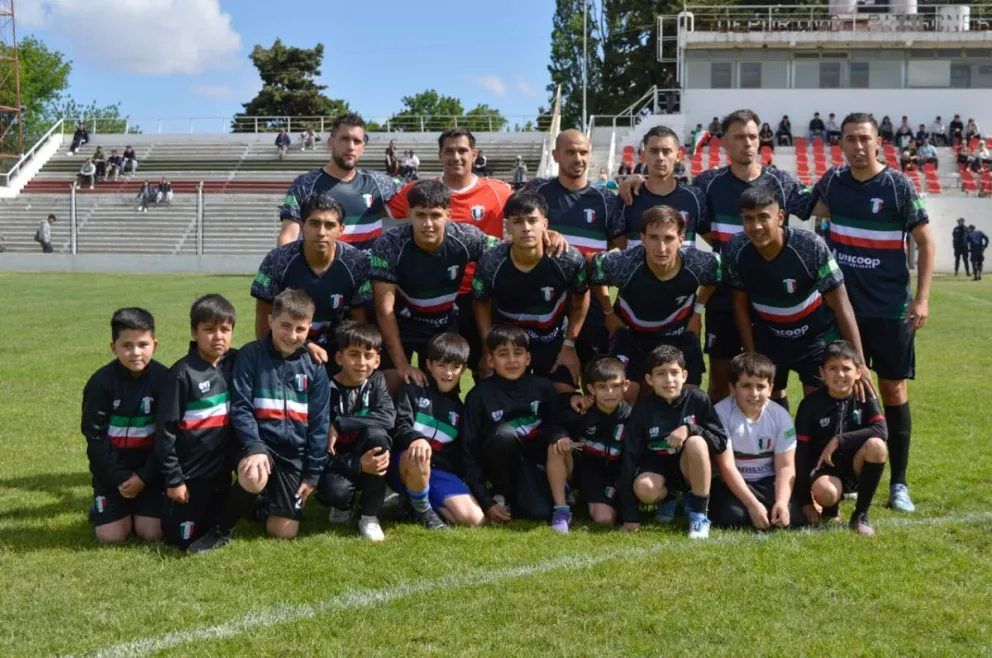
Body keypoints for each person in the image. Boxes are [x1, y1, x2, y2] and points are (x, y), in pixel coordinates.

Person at [620, 109, 814, 404]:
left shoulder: (780, 182)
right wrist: (636, 177)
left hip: (770, 302)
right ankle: (717, 443)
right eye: (739, 137)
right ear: (724, 142)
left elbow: (819, 206)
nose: (747, 143)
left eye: (752, 136)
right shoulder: (706, 186)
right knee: (720, 381)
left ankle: (771, 447)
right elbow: (670, 195)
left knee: (772, 383)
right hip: (723, 300)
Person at [812, 112, 935, 513]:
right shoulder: (832, 182)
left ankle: (898, 483)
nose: (858, 146)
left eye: (865, 138)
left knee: (892, 390)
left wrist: (922, 298)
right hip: (843, 310)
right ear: (841, 143)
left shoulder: (898, 186)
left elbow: (926, 241)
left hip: (890, 310)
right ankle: (843, 473)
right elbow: (806, 209)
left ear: (878, 141)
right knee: (840, 387)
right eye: (850, 139)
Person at [385, 127, 534, 382]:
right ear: (440, 155)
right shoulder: (418, 192)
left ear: (474, 155)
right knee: (435, 373)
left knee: (488, 368)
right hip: (433, 297)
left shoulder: (499, 192)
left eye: (463, 150)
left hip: (481, 297)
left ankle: (485, 418)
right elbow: (376, 213)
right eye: (450, 151)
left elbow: (530, 218)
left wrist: (550, 234)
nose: (456, 156)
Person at [187, 289, 330, 553]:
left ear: (310, 328)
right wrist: (254, 445)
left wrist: (312, 473)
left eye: (300, 329)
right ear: (270, 321)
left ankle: (257, 506)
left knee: (284, 531)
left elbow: (320, 422)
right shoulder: (251, 355)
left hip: (293, 453)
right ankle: (221, 531)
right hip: (259, 445)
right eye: (285, 326)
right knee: (254, 474)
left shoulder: (314, 365)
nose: (292, 335)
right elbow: (240, 407)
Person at [725, 185, 869, 410]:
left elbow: (842, 305)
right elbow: (739, 305)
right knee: (767, 405)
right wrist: (752, 354)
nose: (757, 226)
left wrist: (859, 362)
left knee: (820, 404)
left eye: (764, 217)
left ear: (780, 216)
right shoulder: (735, 248)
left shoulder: (810, 246)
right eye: (748, 219)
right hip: (770, 338)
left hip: (814, 338)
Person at [371, 179, 497, 392]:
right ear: (409, 213)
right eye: (420, 215)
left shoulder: (466, 237)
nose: (427, 224)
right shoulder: (388, 245)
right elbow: (385, 310)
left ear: (448, 214)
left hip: (443, 325)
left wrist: (545, 236)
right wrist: (402, 365)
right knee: (387, 385)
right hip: (402, 324)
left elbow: (509, 251)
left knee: (442, 391)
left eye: (435, 215)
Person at [591, 206, 718, 402]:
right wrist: (608, 312)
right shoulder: (625, 263)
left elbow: (715, 276)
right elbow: (593, 267)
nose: (661, 248)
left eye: (669, 238)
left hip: (677, 335)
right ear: (643, 238)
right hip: (631, 335)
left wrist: (697, 313)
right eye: (653, 237)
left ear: (681, 239)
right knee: (625, 393)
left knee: (688, 398)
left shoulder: (699, 263)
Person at [524, 129, 625, 371]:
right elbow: (517, 228)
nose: (577, 158)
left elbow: (618, 247)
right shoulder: (536, 191)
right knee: (546, 375)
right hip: (543, 298)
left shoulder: (605, 199)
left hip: (592, 301)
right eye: (570, 152)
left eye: (583, 152)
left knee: (596, 374)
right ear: (556, 155)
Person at [473, 191, 589, 392]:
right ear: (507, 225)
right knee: (499, 401)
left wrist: (569, 345)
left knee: (564, 399)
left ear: (545, 224)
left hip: (552, 341)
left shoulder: (568, 259)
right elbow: (480, 301)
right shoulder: (491, 262)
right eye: (517, 222)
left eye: (532, 220)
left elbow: (581, 298)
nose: (526, 228)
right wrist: (488, 349)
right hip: (510, 344)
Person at [461, 325, 573, 530]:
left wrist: (559, 434)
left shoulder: (542, 387)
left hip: (530, 465)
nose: (512, 360)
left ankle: (543, 495)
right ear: (491, 360)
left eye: (518, 353)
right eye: (503, 354)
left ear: (528, 358)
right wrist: (486, 501)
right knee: (504, 434)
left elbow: (557, 424)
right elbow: (469, 453)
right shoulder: (479, 396)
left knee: (539, 513)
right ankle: (499, 494)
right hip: (497, 469)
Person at [617, 345, 727, 538]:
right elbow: (630, 457)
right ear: (649, 379)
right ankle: (670, 497)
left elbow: (720, 442)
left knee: (696, 443)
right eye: (660, 374)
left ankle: (699, 514)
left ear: (684, 375)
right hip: (659, 470)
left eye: (674, 372)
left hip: (689, 469)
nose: (669, 380)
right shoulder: (643, 410)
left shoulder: (698, 400)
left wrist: (690, 429)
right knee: (645, 489)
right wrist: (631, 516)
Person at [156, 295, 239, 550]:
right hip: (190, 477)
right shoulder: (182, 374)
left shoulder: (236, 362)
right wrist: (174, 480)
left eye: (225, 330)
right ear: (194, 332)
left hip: (222, 475)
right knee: (180, 541)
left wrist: (308, 347)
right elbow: (165, 431)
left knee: (219, 524)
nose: (218, 337)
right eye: (209, 330)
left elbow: (273, 348)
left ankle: (257, 505)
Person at [81, 307, 169, 544]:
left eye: (143, 344)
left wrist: (144, 476)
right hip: (112, 473)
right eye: (126, 345)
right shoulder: (100, 383)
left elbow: (166, 437)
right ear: (113, 347)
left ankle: (139, 505)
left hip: (149, 473)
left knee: (152, 532)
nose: (135, 352)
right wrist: (119, 476)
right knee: (111, 536)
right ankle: (104, 509)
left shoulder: (165, 380)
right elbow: (94, 436)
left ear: (155, 345)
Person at [252, 193, 371, 369]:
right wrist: (270, 359)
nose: (321, 232)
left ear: (341, 229)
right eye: (314, 224)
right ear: (302, 226)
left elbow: (359, 322)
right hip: (287, 349)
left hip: (338, 354)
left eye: (329, 225)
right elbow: (264, 318)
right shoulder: (277, 260)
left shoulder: (357, 264)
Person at [390, 332, 485, 529]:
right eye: (441, 365)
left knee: (474, 519)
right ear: (429, 365)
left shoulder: (460, 407)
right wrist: (416, 438)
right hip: (405, 464)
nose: (448, 373)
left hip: (437, 471)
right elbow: (399, 426)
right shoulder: (413, 389)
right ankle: (423, 512)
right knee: (421, 453)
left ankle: (412, 501)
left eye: (455, 367)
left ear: (464, 370)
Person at [794, 341, 888, 536]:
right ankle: (830, 506)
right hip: (825, 470)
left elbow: (881, 430)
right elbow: (800, 454)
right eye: (833, 369)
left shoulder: (865, 397)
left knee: (877, 446)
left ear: (858, 372)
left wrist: (839, 439)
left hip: (854, 467)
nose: (840, 375)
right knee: (827, 493)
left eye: (847, 368)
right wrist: (805, 502)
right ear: (822, 372)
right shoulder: (810, 405)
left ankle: (860, 515)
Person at [315, 322, 395, 542]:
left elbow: (388, 418)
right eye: (354, 354)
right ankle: (343, 505)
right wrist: (358, 464)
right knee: (335, 491)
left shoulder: (376, 381)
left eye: (368, 356)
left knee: (377, 435)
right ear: (339, 358)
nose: (361, 362)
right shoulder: (325, 387)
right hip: (338, 462)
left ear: (377, 360)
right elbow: (319, 447)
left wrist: (341, 424)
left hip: (368, 452)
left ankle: (369, 515)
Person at [279, 112, 398, 249]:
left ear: (363, 148)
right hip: (323, 269)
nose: (351, 147)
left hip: (367, 270)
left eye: (357, 141)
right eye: (344, 139)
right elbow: (288, 237)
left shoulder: (379, 183)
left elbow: (420, 196)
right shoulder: (305, 184)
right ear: (331, 143)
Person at [709, 353, 800, 530]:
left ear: (771, 388)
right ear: (732, 388)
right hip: (733, 481)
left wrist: (781, 502)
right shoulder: (719, 414)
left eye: (761, 386)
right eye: (746, 386)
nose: (754, 393)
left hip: (767, 481)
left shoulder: (781, 416)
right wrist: (752, 504)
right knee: (732, 517)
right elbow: (726, 466)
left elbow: (785, 466)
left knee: (792, 515)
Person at [560, 357, 632, 526]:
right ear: (591, 389)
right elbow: (553, 423)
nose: (609, 393)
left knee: (610, 517)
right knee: (604, 519)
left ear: (625, 385)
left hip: (618, 477)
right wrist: (561, 436)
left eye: (615, 386)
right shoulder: (583, 412)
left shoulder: (632, 418)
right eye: (602, 387)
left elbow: (632, 460)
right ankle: (570, 499)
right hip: (590, 475)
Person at [618, 126, 704, 251]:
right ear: (644, 155)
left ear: (678, 156)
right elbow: (616, 245)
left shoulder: (696, 197)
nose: (660, 157)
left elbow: (714, 239)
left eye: (666, 151)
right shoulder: (628, 197)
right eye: (653, 151)